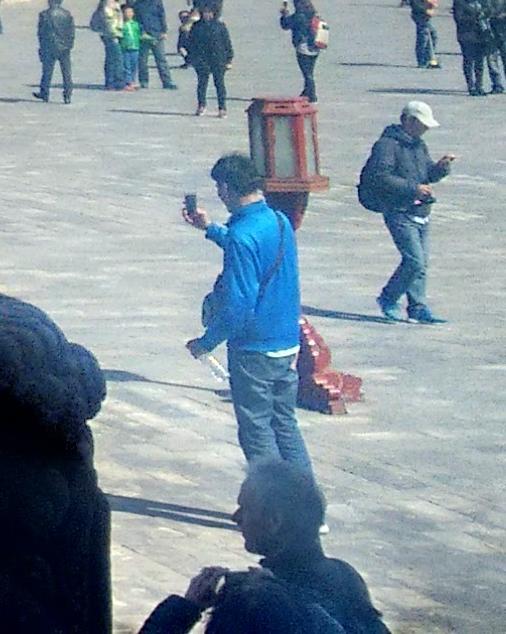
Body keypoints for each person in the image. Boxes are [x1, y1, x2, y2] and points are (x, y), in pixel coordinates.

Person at [137, 460, 390, 634]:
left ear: (274, 521)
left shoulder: (250, 599)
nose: (235, 517)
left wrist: (185, 608)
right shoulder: (345, 577)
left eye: (245, 508)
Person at [185, 152, 308, 471]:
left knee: (256, 432)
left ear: (226, 188)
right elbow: (253, 251)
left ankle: (274, 510)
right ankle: (309, 508)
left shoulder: (242, 235)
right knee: (285, 425)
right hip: (287, 342)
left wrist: (206, 342)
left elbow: (239, 305)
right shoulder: (279, 221)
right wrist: (210, 228)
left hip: (254, 349)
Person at [359, 101, 452, 325]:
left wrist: (440, 169)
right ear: (408, 121)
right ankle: (388, 298)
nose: (425, 129)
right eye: (422, 124)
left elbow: (426, 174)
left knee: (422, 264)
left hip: (420, 209)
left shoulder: (418, 145)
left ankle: (417, 307)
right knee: (415, 261)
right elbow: (380, 176)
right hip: (399, 211)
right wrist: (414, 188)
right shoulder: (387, 145)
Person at [185, 2, 237, 117]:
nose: (207, 15)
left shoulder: (220, 26)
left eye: (209, 13)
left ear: (214, 14)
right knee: (202, 84)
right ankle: (201, 105)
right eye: (204, 13)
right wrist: (191, 58)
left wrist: (229, 59)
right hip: (202, 59)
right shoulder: (196, 26)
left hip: (218, 59)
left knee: (219, 84)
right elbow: (190, 43)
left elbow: (227, 43)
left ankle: (222, 107)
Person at [34, 0, 76, 103]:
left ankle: (44, 93)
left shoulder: (44, 14)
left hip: (49, 45)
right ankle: (67, 95)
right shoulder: (67, 14)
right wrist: (69, 44)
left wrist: (42, 46)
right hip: (64, 47)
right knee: (66, 72)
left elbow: (41, 32)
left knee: (47, 71)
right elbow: (71, 31)